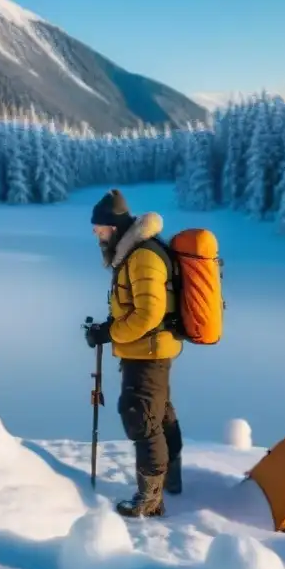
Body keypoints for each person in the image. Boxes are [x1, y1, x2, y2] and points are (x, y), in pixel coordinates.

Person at [84, 188, 184, 518]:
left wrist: (109, 332)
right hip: (148, 347)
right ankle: (170, 476)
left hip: (149, 350)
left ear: (113, 227)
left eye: (98, 227)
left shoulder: (142, 256)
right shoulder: (132, 254)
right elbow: (135, 307)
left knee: (140, 415)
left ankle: (150, 498)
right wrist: (107, 327)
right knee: (159, 411)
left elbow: (147, 315)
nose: (95, 233)